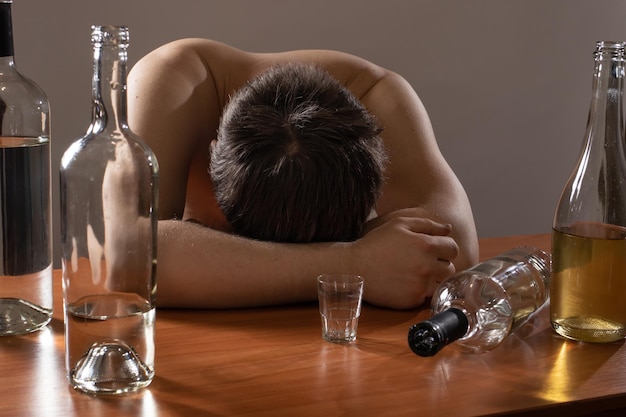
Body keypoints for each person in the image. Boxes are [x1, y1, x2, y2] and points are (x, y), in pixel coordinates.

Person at [127, 38, 479, 310]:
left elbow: (456, 253)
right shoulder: (170, 80)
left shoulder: (379, 97)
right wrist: (353, 262)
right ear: (212, 154)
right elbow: (130, 258)